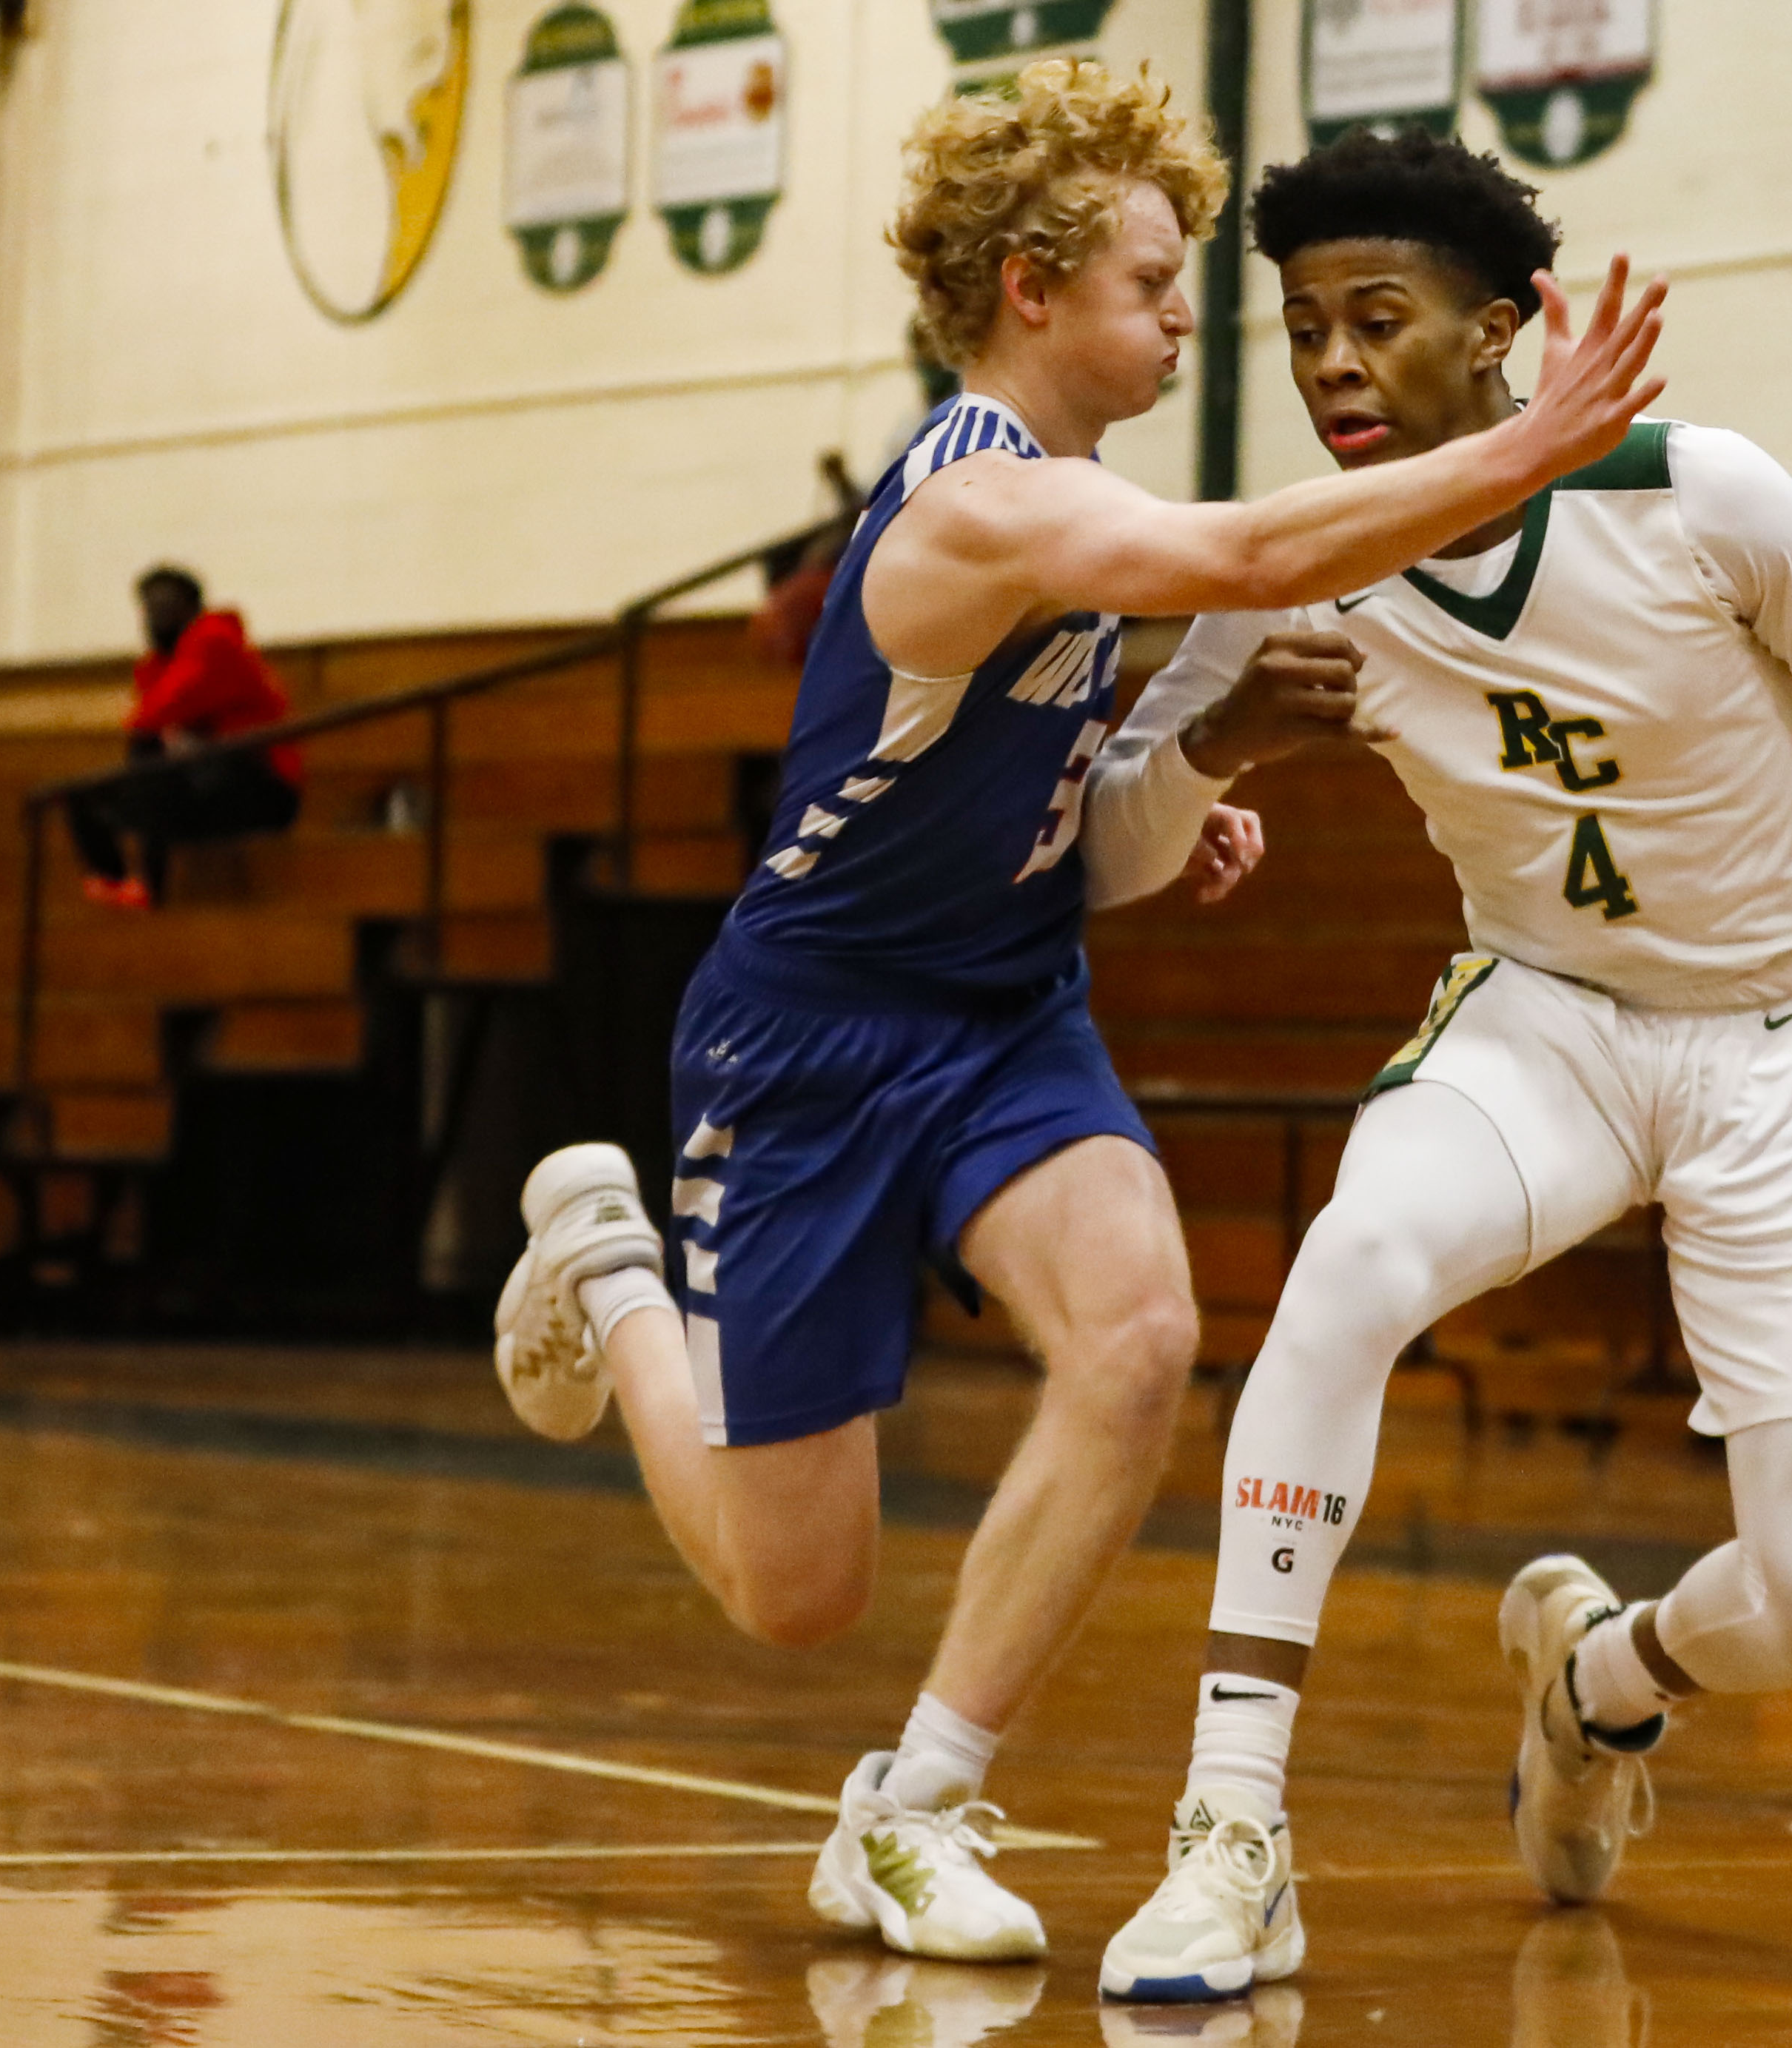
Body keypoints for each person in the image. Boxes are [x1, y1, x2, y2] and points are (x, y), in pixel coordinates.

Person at [486, 61, 1668, 1966]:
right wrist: (1540, 441)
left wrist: (1191, 776)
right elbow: (1261, 556)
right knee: (799, 1590)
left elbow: (1099, 833)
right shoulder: (974, 510)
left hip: (1003, 1010)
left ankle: (912, 1807)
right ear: (1031, 288)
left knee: (1137, 1336)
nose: (1188, 315)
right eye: (1150, 276)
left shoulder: (1085, 510)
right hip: (809, 1034)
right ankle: (609, 1258)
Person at [1088, 127, 1792, 2004]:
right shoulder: (1286, 571)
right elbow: (1112, 852)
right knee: (1346, 1269)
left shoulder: (1705, 495)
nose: (1335, 363)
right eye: (1302, 332)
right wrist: (1210, 762)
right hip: (1549, 1022)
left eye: (1381, 320)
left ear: (1503, 331)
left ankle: (1599, 1685)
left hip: (1787, 1044)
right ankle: (1232, 1833)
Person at [66, 566, 302, 909]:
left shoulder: (215, 641)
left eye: (166, 607)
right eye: (149, 609)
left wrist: (158, 718)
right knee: (84, 795)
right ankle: (115, 880)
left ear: (192, 608)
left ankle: (151, 890)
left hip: (262, 788)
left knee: (151, 764)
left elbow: (153, 714)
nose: (154, 618)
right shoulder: (162, 661)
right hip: (207, 782)